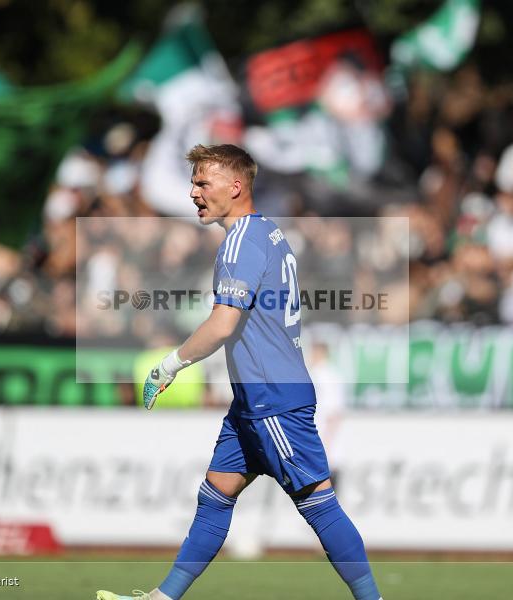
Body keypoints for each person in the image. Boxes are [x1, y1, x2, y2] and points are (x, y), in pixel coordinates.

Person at [97, 144, 382, 600]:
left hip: (273, 399)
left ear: (235, 186)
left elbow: (223, 323)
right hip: (253, 401)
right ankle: (163, 598)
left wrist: (168, 365)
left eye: (202, 183)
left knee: (319, 506)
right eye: (193, 183)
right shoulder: (267, 233)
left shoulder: (241, 242)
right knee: (215, 495)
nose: (193, 193)